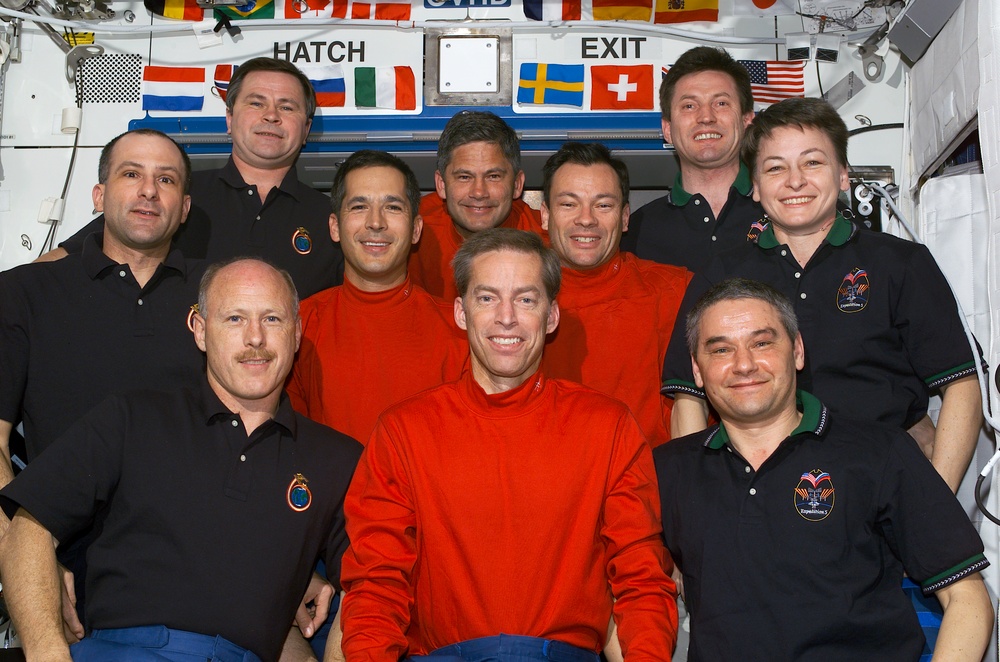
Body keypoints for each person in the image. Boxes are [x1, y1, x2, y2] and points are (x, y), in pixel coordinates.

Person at [337, 228, 676, 661]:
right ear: (460, 312)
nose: (507, 317)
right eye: (487, 298)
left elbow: (641, 575)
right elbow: (376, 585)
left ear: (552, 316)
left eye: (526, 299)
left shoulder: (608, 428)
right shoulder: (403, 432)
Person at [0, 257, 362, 662]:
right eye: (235, 319)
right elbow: (28, 526)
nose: (255, 338)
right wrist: (47, 651)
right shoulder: (131, 417)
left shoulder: (338, 460)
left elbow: (368, 584)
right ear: (201, 331)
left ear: (296, 334)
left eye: (273, 319)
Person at [654, 278, 992, 660]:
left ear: (797, 351)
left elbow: (967, 596)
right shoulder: (665, 471)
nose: (744, 364)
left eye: (762, 343)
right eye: (720, 350)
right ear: (697, 371)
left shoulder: (879, 452)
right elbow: (622, 593)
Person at [662, 98, 984, 494]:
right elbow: (688, 398)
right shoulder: (721, 274)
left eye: (812, 163)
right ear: (756, 188)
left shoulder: (900, 263)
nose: (795, 181)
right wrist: (698, 501)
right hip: (759, 490)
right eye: (775, 167)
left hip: (882, 487)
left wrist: (935, 501)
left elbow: (961, 385)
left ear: (844, 174)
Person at [0, 129, 207, 630]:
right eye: (131, 174)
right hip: (66, 572)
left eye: (166, 179)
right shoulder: (27, 290)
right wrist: (25, 557)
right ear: (99, 195)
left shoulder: (219, 295)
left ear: (183, 208)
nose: (148, 190)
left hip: (199, 575)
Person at [46, 57, 344, 298]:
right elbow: (64, 259)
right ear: (229, 119)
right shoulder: (174, 193)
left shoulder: (332, 215)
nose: (271, 115)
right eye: (256, 103)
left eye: (286, 107)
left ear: (305, 130)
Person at [287, 149, 466, 446]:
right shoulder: (299, 326)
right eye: (359, 206)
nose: (376, 223)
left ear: (416, 229)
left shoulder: (459, 330)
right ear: (334, 227)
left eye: (393, 207)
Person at [539, 142, 690, 447]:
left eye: (603, 205)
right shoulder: (516, 300)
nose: (586, 219)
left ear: (624, 218)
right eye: (569, 204)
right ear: (545, 215)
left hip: (649, 483)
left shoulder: (674, 291)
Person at [620, 46, 764, 272]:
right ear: (667, 129)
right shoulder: (636, 232)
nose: (706, 117)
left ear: (747, 120)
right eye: (689, 106)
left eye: (721, 103)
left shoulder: (786, 209)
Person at [409, 110, 546, 301]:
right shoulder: (407, 230)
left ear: (517, 184)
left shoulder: (550, 239)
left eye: (493, 177)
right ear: (441, 184)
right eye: (464, 177)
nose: (479, 192)